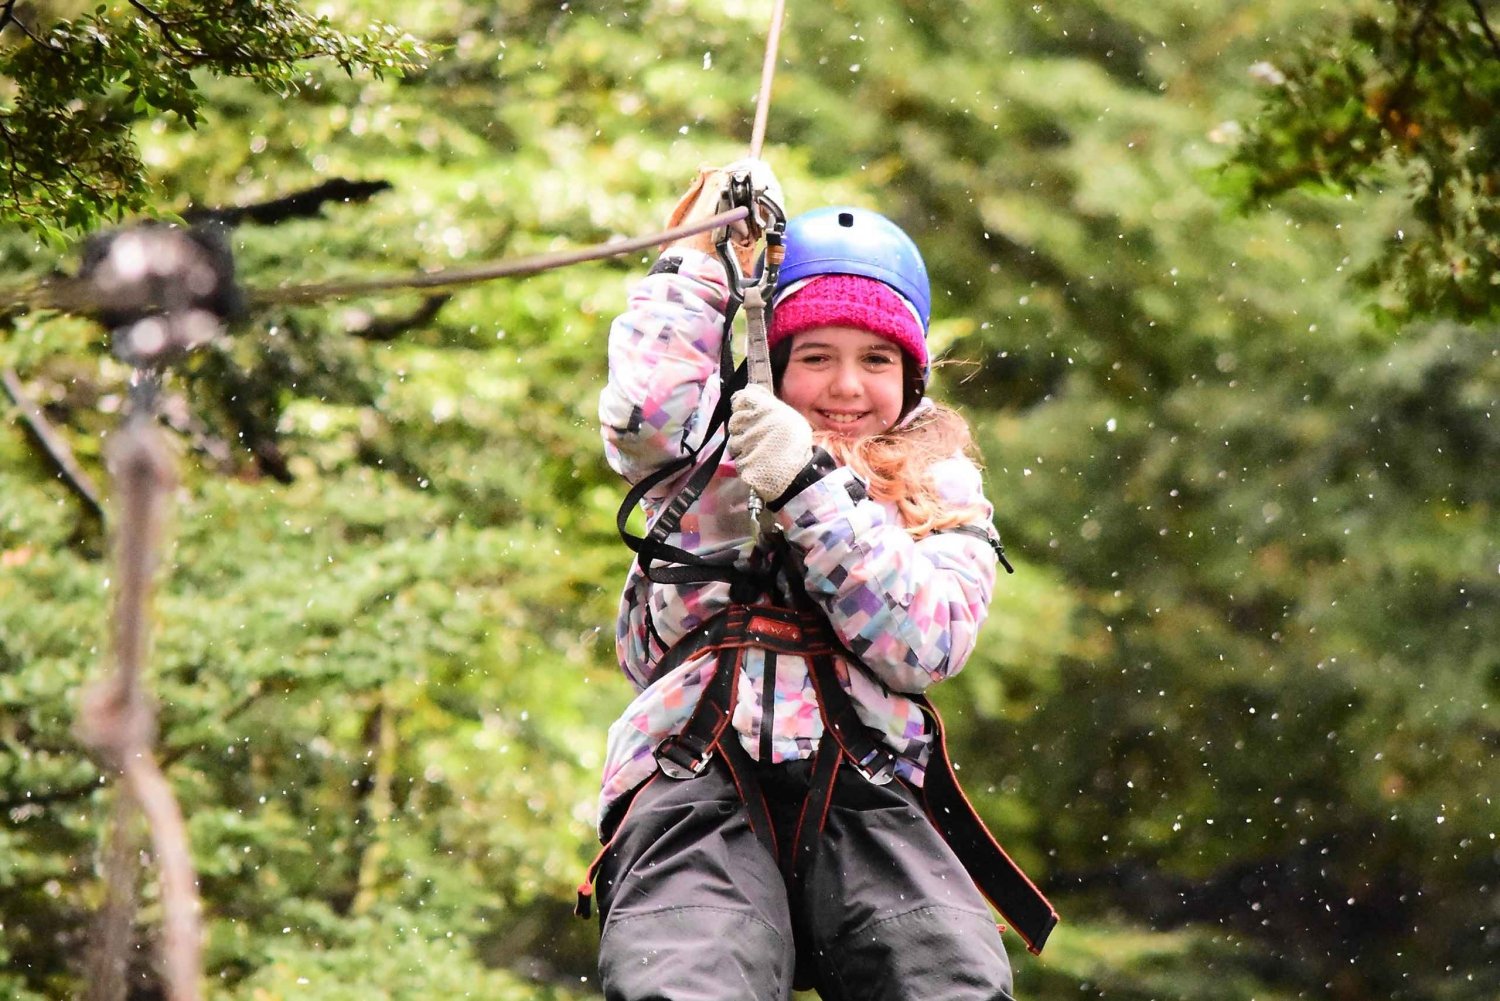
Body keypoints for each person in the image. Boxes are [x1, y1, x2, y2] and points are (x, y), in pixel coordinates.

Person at [582, 161, 1050, 1001]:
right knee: (682, 984)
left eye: (875, 360)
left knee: (951, 986)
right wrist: (699, 256)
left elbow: (926, 640)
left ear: (910, 379)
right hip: (697, 774)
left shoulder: (938, 488)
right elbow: (645, 411)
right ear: (772, 361)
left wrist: (806, 490)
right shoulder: (707, 455)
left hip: (869, 784)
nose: (844, 385)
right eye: (817, 356)